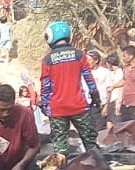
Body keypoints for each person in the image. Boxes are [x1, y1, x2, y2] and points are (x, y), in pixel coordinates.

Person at [39, 21, 100, 162]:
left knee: (60, 149)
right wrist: (95, 97)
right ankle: (99, 169)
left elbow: (45, 86)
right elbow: (89, 79)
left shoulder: (47, 60)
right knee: (91, 144)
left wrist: (44, 104)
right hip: (79, 106)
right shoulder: (79, 55)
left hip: (57, 109)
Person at [112, 46, 135, 122]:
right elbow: (124, 80)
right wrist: (113, 86)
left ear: (131, 56)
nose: (123, 58)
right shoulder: (126, 68)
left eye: (124, 56)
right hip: (125, 102)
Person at [102, 53, 124, 131]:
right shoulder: (110, 73)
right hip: (110, 100)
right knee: (109, 122)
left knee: (116, 123)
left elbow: (120, 90)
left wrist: (118, 103)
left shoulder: (120, 73)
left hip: (117, 101)